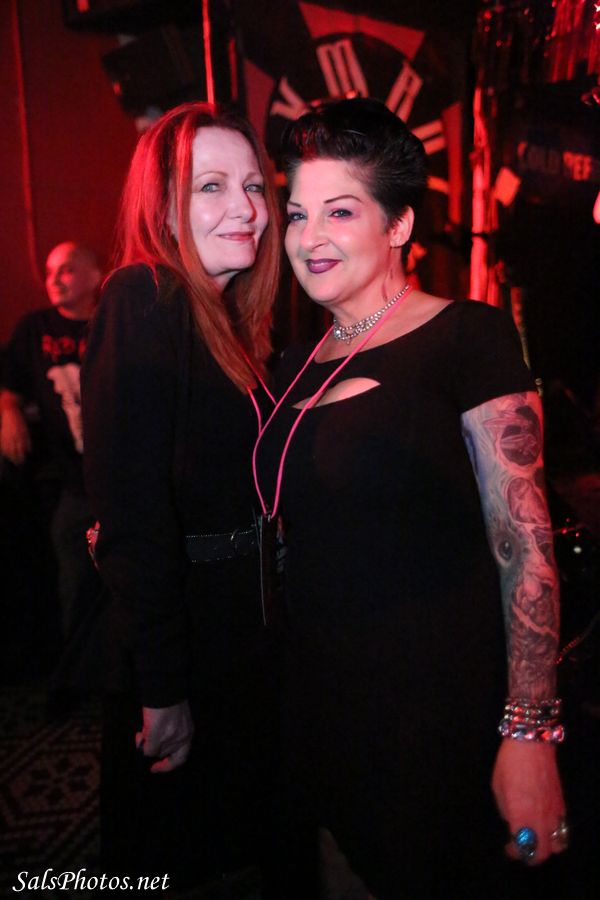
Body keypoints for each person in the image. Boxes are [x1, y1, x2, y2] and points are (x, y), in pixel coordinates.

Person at [253, 98, 567, 899]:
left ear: (398, 224)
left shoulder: (466, 336)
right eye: (298, 214)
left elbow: (525, 545)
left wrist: (530, 732)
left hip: (430, 716)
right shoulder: (293, 362)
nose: (309, 237)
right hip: (318, 708)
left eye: (340, 211)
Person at [80, 102, 280, 887]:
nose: (246, 208)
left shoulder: (229, 321)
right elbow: (132, 511)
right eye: (211, 186)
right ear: (163, 208)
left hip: (231, 634)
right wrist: (163, 684)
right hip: (180, 643)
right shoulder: (144, 295)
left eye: (254, 185)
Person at [1, 241, 101, 642]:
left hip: (118, 476)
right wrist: (8, 412)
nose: (55, 280)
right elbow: (9, 383)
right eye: (49, 272)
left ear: (94, 277)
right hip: (70, 480)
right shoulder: (35, 329)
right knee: (72, 576)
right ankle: (74, 663)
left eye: (67, 270)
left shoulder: (111, 323)